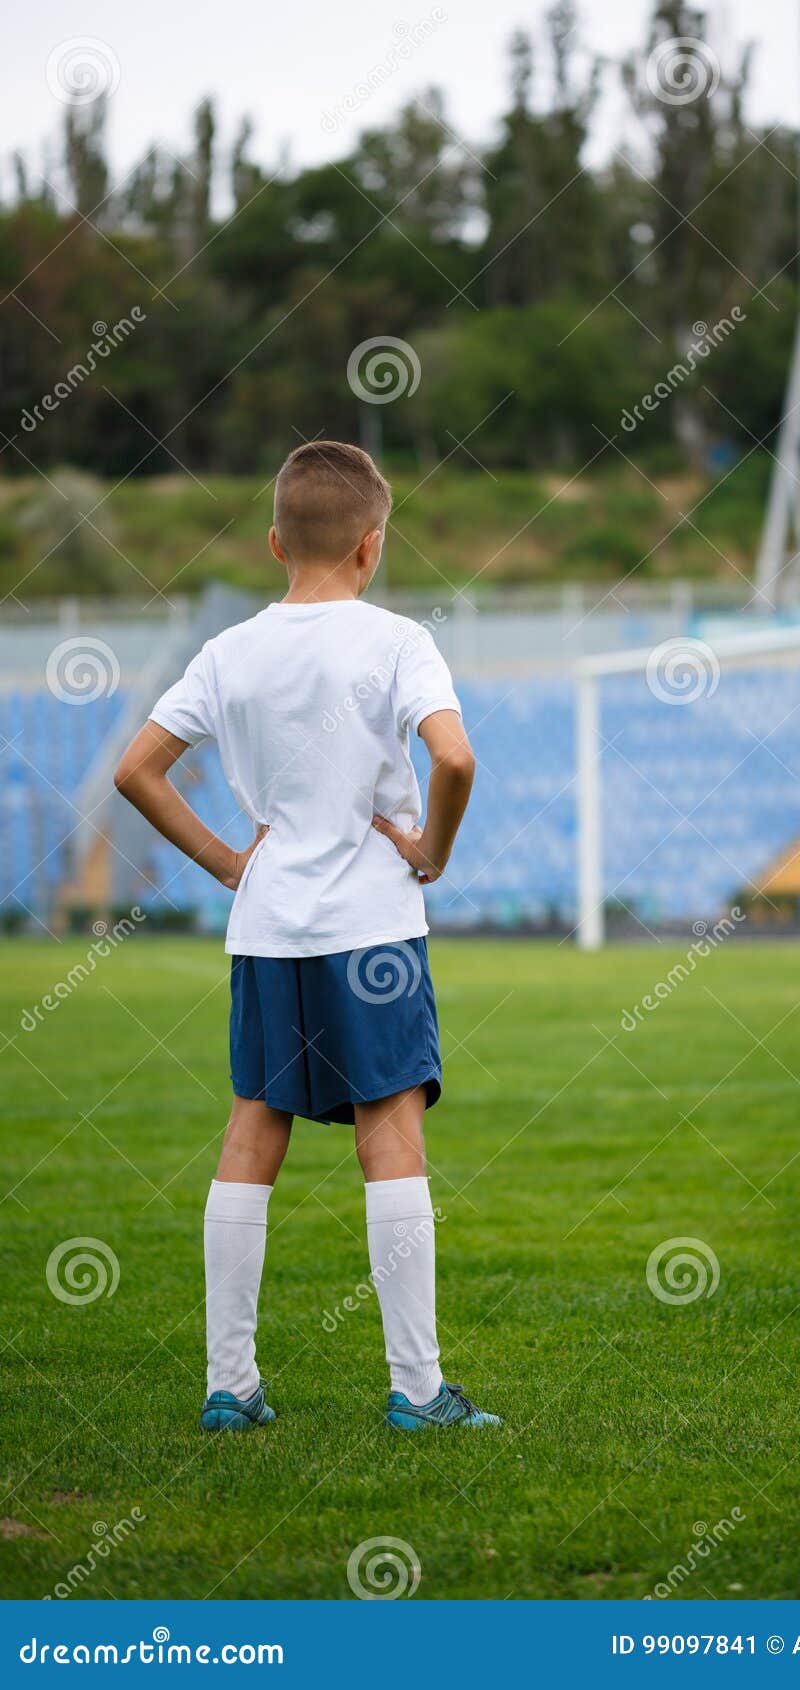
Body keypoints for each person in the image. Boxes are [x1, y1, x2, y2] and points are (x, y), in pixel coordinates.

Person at [113, 440, 499, 1433]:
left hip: (267, 924)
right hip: (371, 922)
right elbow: (452, 756)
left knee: (251, 1133)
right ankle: (416, 1391)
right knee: (390, 1132)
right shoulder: (398, 639)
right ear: (371, 546)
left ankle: (228, 1387)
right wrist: (430, 847)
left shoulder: (226, 651)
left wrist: (231, 863)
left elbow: (136, 772)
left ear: (276, 541)